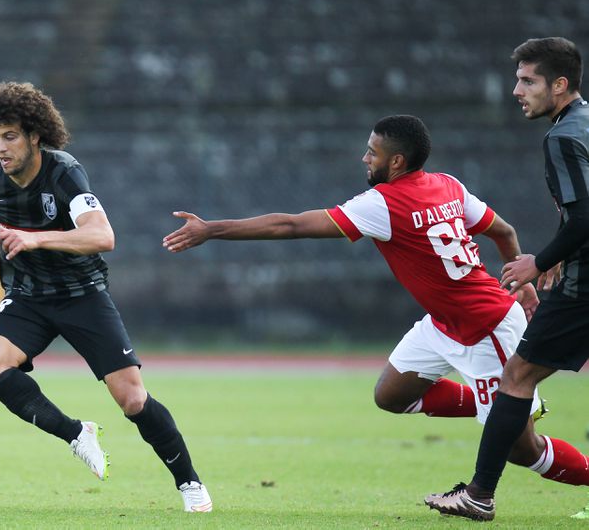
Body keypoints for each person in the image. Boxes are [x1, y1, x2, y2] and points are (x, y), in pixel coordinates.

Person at [163, 114, 589, 508]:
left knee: (522, 450)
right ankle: (500, 404)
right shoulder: (447, 184)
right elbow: (504, 230)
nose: (364, 157)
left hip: (487, 328)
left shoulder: (383, 203)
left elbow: (290, 225)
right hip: (445, 325)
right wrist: (522, 284)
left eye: (372, 152)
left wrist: (211, 229)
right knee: (392, 395)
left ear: (397, 160)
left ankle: (512, 416)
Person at [0, 81, 212, 513]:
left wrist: (35, 239)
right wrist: (16, 244)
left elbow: (103, 235)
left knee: (133, 399)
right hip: (28, 296)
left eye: (10, 136)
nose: (0, 147)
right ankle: (77, 433)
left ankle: (189, 483)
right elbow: (0, 221)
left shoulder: (63, 172)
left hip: (81, 295)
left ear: (34, 136)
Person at [424, 37, 589, 521]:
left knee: (516, 377)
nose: (517, 89)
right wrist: (563, 248)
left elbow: (584, 218)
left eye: (527, 80)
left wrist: (539, 263)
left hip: (584, 286)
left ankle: (478, 494)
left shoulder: (561, 137)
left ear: (560, 85)